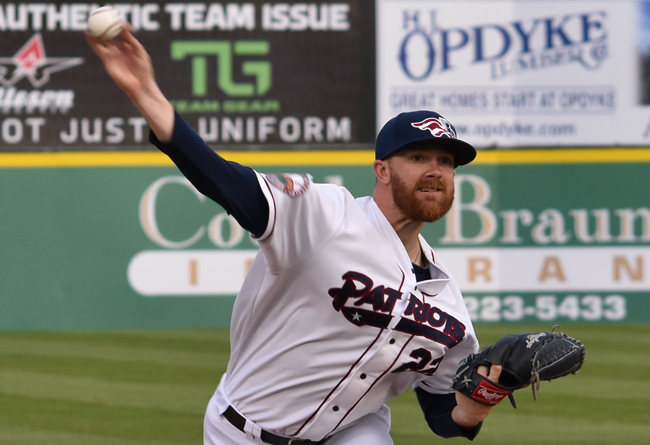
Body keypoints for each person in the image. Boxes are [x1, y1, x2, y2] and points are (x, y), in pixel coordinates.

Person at [87, 29, 504, 445]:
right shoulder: (325, 215)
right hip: (242, 431)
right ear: (382, 171)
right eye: (418, 157)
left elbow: (443, 415)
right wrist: (145, 91)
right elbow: (224, 180)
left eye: (446, 162)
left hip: (352, 433)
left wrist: (479, 402)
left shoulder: (449, 306)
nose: (435, 170)